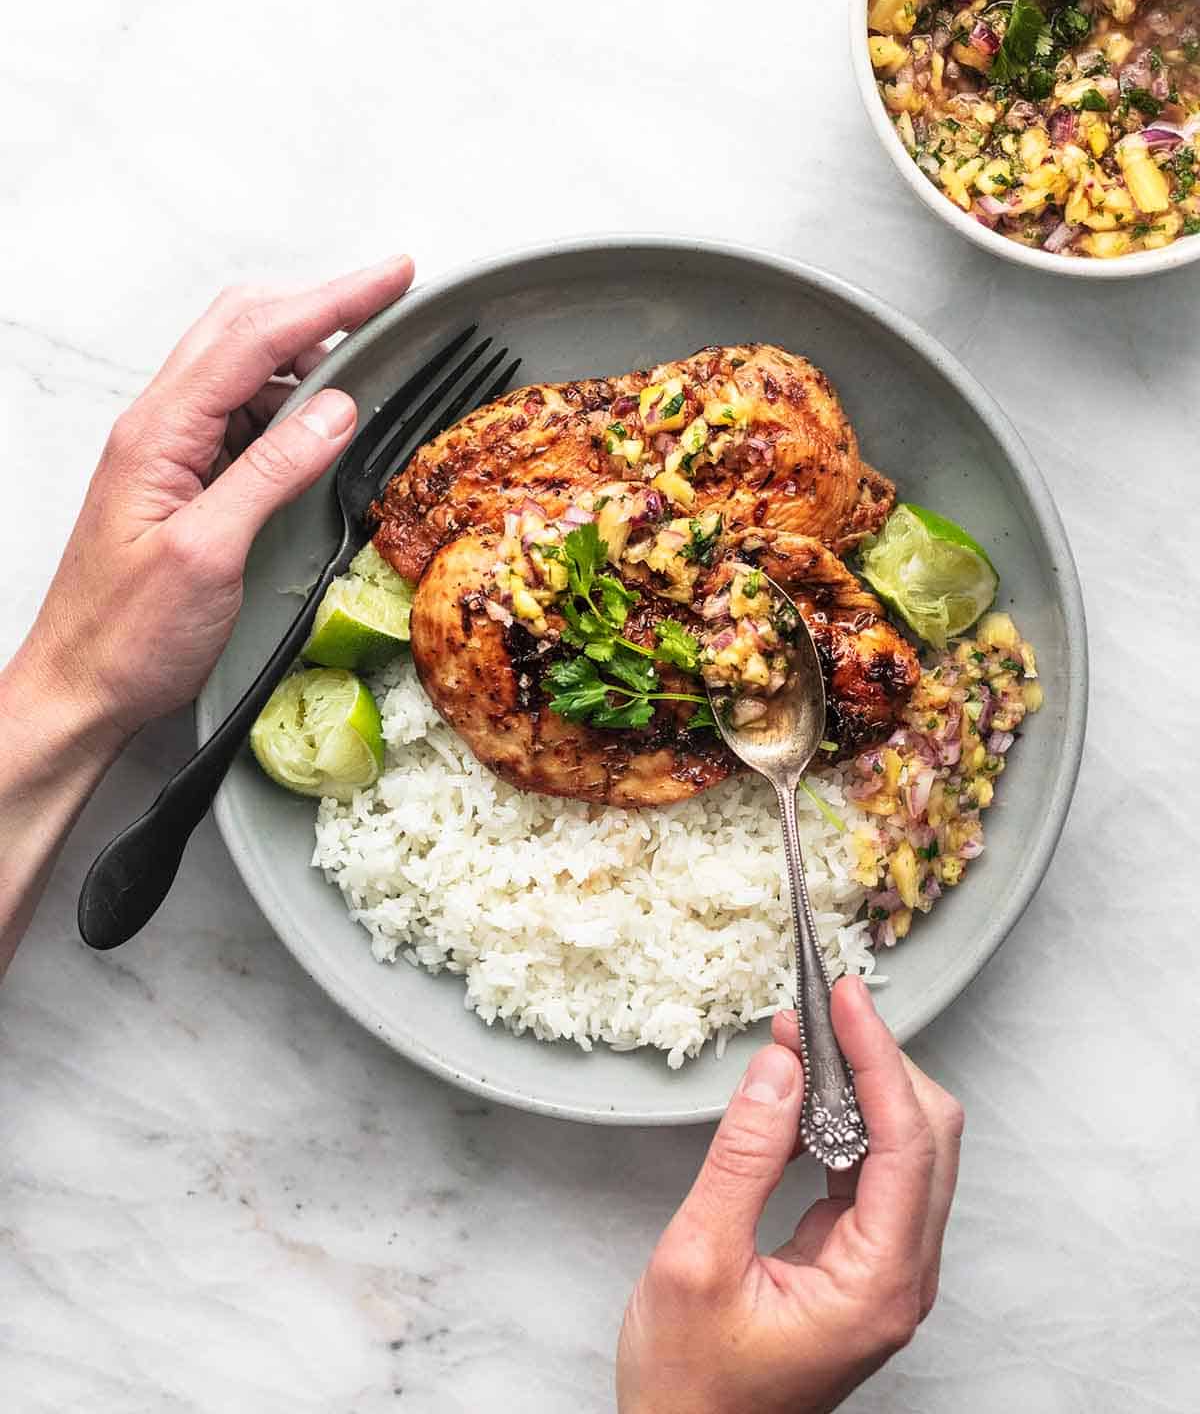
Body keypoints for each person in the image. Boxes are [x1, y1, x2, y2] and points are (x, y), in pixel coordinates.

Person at [0, 259, 964, 1411]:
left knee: (766, 463)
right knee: (492, 563)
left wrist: (66, 693)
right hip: (549, 628)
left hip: (639, 611)